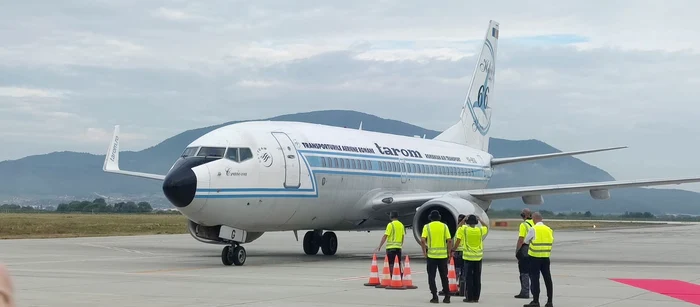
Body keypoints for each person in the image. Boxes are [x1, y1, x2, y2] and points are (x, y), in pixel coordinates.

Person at [453, 214, 488, 303]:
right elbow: (486, 227)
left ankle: (469, 297)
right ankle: (476, 297)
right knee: (477, 278)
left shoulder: (464, 230)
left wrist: (463, 220)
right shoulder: (480, 230)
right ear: (476, 222)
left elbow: (458, 227)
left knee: (469, 278)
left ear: (467, 222)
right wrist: (480, 219)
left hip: (468, 257)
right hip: (478, 257)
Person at [420, 210, 453, 303]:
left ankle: (435, 296)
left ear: (430, 218)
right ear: (439, 218)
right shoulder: (444, 226)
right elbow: (449, 240)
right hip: (443, 256)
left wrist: (424, 252)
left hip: (431, 256)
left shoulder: (427, 227)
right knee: (444, 277)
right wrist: (449, 252)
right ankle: (447, 296)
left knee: (431, 277)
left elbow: (422, 240)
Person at [523, 212, 554, 307]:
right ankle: (549, 301)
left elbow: (526, 240)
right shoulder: (549, 229)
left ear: (534, 219)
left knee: (535, 279)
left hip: (535, 258)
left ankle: (535, 301)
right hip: (545, 257)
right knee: (548, 279)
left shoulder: (534, 229)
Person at [375, 211, 405, 277]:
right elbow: (403, 237)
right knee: (398, 263)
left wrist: (380, 246)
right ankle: (398, 276)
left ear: (391, 217)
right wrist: (400, 245)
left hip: (391, 248)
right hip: (398, 248)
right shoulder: (401, 225)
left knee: (391, 264)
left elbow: (385, 236)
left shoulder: (390, 225)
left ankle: (392, 276)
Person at [515, 208, 534, 299]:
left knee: (524, 272)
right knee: (533, 272)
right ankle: (534, 291)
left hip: (525, 249)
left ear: (525, 215)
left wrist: (517, 250)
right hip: (533, 249)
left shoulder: (524, 225)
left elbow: (521, 239)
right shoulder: (534, 224)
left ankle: (525, 291)